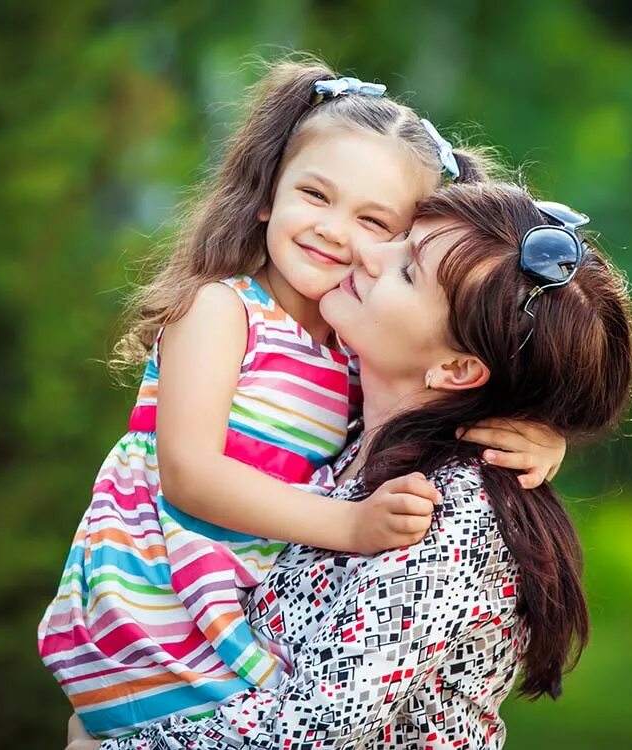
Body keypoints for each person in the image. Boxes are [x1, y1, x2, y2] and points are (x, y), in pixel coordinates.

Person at [37, 59, 565, 739]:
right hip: (150, 617)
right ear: (267, 196)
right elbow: (189, 474)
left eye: (374, 220)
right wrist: (349, 528)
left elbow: (436, 405)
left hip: (227, 625)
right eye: (315, 195)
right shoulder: (221, 310)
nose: (334, 231)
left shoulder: (351, 352)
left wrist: (542, 440)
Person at [63, 181, 632, 749]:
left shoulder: (450, 513)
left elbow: (314, 731)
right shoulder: (347, 437)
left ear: (458, 371)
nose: (366, 250)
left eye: (407, 270)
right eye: (402, 236)